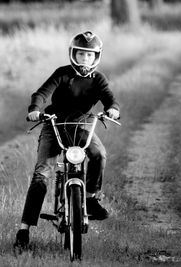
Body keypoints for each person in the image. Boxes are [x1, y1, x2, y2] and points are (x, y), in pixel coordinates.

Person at [14, 31, 120, 248]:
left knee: (99, 154)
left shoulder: (98, 79)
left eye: (90, 55)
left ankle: (90, 198)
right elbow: (42, 93)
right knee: (41, 175)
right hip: (54, 124)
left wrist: (112, 109)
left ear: (96, 57)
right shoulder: (62, 74)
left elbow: (110, 98)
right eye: (81, 54)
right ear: (73, 54)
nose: (85, 59)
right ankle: (24, 231)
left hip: (82, 125)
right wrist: (35, 108)